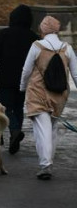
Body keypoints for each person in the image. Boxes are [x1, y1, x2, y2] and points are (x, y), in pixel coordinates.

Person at [19, 16, 77, 180]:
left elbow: (26, 70)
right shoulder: (67, 48)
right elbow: (75, 74)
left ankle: (45, 165)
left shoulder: (37, 46)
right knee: (51, 128)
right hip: (59, 94)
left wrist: (22, 87)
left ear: (43, 29)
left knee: (42, 129)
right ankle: (47, 161)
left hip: (38, 92)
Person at [0, 4, 39, 154]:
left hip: (5, 78)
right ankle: (15, 134)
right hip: (24, 80)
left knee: (5, 108)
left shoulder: (5, 34)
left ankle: (14, 131)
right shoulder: (34, 38)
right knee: (18, 107)